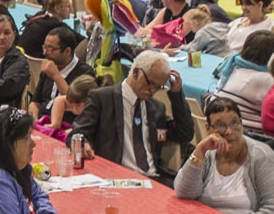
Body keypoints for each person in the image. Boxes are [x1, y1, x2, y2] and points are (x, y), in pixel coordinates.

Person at [71, 50, 192, 185]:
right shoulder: (102, 98)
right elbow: (77, 133)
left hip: (153, 178)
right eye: (150, 83)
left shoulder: (156, 108)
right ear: (135, 73)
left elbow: (184, 134)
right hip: (115, 177)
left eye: (158, 87)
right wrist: (83, 144)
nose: (152, 90)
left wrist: (176, 95)